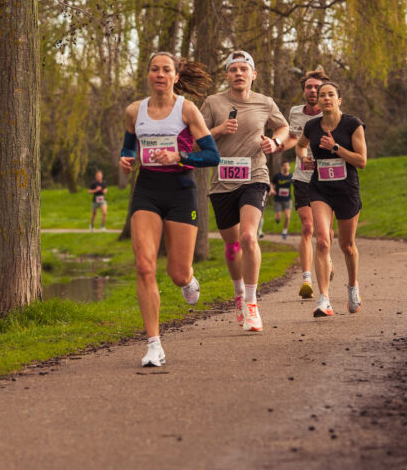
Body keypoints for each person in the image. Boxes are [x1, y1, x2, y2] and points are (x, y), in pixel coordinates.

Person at [119, 52, 219, 367]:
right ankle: (153, 344)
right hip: (146, 191)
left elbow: (211, 156)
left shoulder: (186, 110)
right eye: (154, 69)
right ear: (147, 75)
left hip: (181, 191)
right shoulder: (134, 111)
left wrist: (180, 157)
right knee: (145, 267)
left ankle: (188, 279)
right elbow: (128, 146)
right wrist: (126, 159)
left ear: (176, 76)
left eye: (166, 70)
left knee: (176, 273)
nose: (160, 74)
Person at [201, 50, 289, 333]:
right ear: (227, 75)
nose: (239, 73)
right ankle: (238, 293)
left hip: (255, 176)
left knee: (249, 236)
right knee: (232, 246)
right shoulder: (213, 102)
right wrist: (218, 129)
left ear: (253, 75)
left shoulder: (265, 103)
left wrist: (275, 143)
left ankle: (251, 303)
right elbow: (193, 137)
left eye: (244, 69)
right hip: (221, 182)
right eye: (233, 69)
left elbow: (285, 127)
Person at [296, 81, 367, 317]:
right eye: (321, 95)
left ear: (339, 100)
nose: (325, 98)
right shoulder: (312, 126)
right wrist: (304, 157)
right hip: (320, 190)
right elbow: (301, 145)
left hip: (346, 190)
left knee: (346, 245)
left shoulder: (352, 124)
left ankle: (352, 287)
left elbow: (362, 161)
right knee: (323, 241)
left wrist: (336, 147)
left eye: (330, 95)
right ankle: (324, 299)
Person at [283, 68, 335, 299]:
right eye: (309, 87)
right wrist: (277, 144)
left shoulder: (332, 113)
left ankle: (327, 259)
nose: (313, 91)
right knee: (307, 227)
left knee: (325, 232)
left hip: (327, 177)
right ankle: (306, 279)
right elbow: (293, 139)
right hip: (303, 176)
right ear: (303, 90)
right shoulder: (295, 112)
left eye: (318, 88)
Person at [271, 161, 293, 239]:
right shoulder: (277, 176)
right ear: (282, 167)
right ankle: (277, 219)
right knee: (278, 217)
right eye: (284, 166)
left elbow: (296, 185)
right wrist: (272, 189)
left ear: (289, 167)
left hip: (287, 199)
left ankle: (284, 232)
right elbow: (272, 184)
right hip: (278, 199)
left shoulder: (291, 176)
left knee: (287, 216)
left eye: (287, 166)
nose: (286, 167)